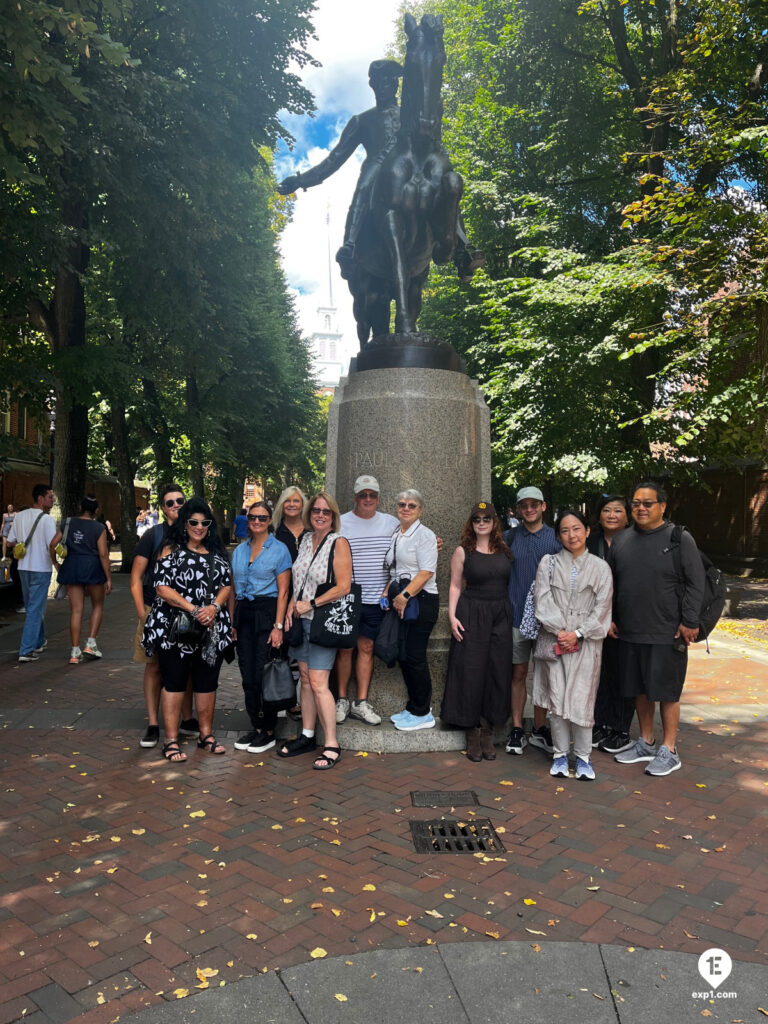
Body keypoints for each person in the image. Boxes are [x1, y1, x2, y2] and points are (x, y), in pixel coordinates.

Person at [610, 481, 705, 777]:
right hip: (629, 630)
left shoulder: (679, 538)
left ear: (662, 506)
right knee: (640, 690)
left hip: (667, 632)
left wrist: (690, 621)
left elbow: (696, 582)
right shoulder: (622, 540)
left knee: (667, 692)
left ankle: (669, 749)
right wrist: (610, 617)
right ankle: (646, 742)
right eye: (636, 503)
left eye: (647, 503)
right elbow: (612, 584)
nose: (641, 508)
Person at [142, 497, 233, 763]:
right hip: (174, 628)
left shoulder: (216, 552)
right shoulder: (170, 549)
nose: (199, 527)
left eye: (205, 523)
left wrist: (214, 607)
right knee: (174, 682)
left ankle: (206, 735)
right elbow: (162, 588)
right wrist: (194, 610)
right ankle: (171, 740)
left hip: (210, 628)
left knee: (207, 682)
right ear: (185, 523)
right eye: (194, 522)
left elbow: (226, 585)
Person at [532, 510, 613, 781]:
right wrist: (561, 631)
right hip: (555, 639)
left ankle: (583, 758)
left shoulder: (601, 568)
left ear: (587, 531)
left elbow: (602, 608)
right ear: (558, 536)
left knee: (582, 698)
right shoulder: (549, 563)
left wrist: (578, 633)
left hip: (587, 643)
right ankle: (559, 755)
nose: (572, 535)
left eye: (577, 528)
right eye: (565, 530)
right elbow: (542, 600)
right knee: (556, 698)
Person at [279, 491, 351, 769]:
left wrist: (310, 604)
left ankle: (332, 743)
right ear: (309, 514)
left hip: (322, 622)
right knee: (307, 680)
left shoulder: (338, 542)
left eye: (326, 511)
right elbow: (298, 581)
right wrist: (290, 607)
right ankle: (307, 736)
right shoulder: (306, 540)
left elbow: (343, 586)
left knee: (320, 683)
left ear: (333, 516)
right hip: (301, 622)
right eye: (316, 511)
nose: (320, 515)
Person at [441, 501, 514, 761]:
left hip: (500, 614)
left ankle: (487, 729)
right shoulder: (463, 551)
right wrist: (452, 617)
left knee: (497, 669)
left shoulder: (504, 549)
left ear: (494, 522)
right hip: (472, 612)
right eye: (476, 519)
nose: (481, 523)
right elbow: (455, 586)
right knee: (471, 670)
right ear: (471, 523)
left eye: (486, 518)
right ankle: (471, 731)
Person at [130, 483, 197, 748]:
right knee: (154, 666)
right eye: (170, 503)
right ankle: (153, 723)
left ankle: (187, 718)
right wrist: (142, 614)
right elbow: (136, 578)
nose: (176, 506)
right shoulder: (153, 535)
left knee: (186, 665)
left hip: (187, 612)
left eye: (180, 501)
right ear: (163, 508)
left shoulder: (195, 531)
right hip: (154, 610)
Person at [334, 475, 399, 727]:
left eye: (372, 495)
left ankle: (360, 702)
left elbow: (409, 544)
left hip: (376, 599)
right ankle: (341, 699)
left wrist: (432, 543)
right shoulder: (341, 523)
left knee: (367, 648)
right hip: (347, 597)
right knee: (344, 649)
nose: (368, 499)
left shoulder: (391, 523)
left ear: (378, 497)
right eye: (363, 495)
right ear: (355, 497)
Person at [229, 500, 292, 754]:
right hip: (244, 614)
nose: (257, 521)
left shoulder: (280, 550)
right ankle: (256, 726)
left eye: (262, 518)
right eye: (253, 517)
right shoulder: (239, 551)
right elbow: (232, 589)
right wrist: (232, 621)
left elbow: (284, 592)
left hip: (267, 613)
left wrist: (278, 626)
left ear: (270, 521)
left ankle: (268, 730)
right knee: (247, 674)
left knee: (262, 672)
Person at [503, 486, 561, 755]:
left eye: (534, 504)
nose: (529, 509)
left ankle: (539, 728)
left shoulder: (556, 538)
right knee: (518, 673)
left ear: (543, 506)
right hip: (517, 616)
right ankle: (517, 728)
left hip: (547, 620)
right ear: (518, 509)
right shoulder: (509, 537)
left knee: (544, 675)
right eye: (524, 505)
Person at [384, 489, 439, 731]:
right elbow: (395, 569)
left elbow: (426, 572)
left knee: (415, 656)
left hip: (421, 600)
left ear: (420, 510)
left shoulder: (425, 535)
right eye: (402, 504)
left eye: (412, 505)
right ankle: (413, 707)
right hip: (402, 599)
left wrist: (405, 596)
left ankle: (423, 712)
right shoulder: (397, 533)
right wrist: (387, 592)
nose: (406, 508)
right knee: (405, 655)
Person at [586, 494, 635, 754]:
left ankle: (620, 728)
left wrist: (614, 618)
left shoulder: (635, 542)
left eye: (618, 510)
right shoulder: (590, 542)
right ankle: (600, 723)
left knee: (624, 674)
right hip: (594, 619)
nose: (612, 515)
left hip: (625, 620)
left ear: (627, 516)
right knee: (599, 674)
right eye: (606, 510)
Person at [49, 495, 112, 664]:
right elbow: (103, 554)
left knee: (76, 610)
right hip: (93, 567)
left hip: (72, 566)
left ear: (80, 507)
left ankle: (74, 651)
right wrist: (108, 577)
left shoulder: (67, 523)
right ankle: (90, 644)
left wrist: (55, 563)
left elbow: (53, 544)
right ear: (96, 510)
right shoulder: (99, 528)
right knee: (97, 605)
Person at [8, 484, 56, 663]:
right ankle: (26, 649)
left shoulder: (19, 516)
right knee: (35, 609)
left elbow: (10, 541)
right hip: (41, 567)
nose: (53, 500)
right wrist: (57, 563)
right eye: (50, 496)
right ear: (41, 499)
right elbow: (52, 545)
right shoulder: (47, 520)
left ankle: (38, 641)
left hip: (23, 567)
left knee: (32, 606)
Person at [273, 486, 310, 718]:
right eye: (288, 501)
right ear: (282, 505)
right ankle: (284, 699)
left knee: (300, 650)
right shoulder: (275, 532)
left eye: (297, 501)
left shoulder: (311, 531)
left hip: (306, 600)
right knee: (283, 649)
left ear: (303, 504)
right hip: (279, 597)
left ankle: (297, 700)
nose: (292, 504)